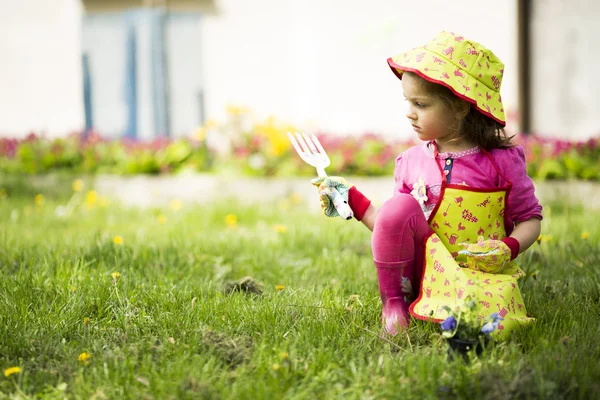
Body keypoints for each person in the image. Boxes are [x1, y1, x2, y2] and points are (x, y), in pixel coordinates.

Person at [313, 31, 542, 337]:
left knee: (491, 328)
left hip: (478, 275)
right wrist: (351, 201)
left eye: (421, 104)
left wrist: (508, 246)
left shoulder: (501, 161)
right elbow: (394, 228)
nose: (409, 113)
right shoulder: (410, 161)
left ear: (461, 106)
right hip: (422, 271)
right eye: (408, 101)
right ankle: (394, 305)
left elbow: (530, 219)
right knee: (400, 206)